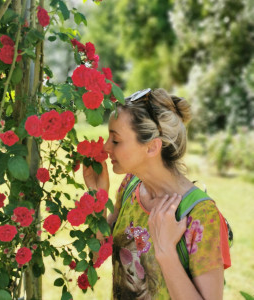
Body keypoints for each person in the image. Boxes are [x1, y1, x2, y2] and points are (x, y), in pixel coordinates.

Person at [83, 88, 231, 299]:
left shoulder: (200, 215)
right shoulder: (129, 187)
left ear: (152, 147)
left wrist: (166, 252)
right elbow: (98, 254)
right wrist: (97, 197)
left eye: (115, 140)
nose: (106, 147)